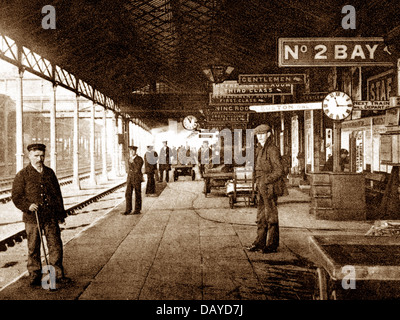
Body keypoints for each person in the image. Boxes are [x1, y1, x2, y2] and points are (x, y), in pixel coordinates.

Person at [11, 143, 70, 287]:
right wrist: (28, 206)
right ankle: (35, 275)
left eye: (42, 155)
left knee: (55, 245)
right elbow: (16, 196)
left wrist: (61, 215)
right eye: (36, 156)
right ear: (30, 156)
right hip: (33, 218)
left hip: (50, 217)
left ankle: (57, 274)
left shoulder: (50, 173)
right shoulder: (22, 175)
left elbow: (57, 195)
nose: (39, 158)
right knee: (33, 247)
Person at [247, 124, 284, 254]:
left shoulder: (272, 149)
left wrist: (265, 180)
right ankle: (259, 242)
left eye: (263, 134)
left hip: (269, 186)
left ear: (269, 134)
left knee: (271, 216)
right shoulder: (260, 149)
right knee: (261, 215)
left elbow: (279, 170)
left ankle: (272, 244)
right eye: (258, 135)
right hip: (260, 185)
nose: (260, 137)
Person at [124, 146, 144, 215]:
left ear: (135, 151)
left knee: (137, 193)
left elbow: (137, 169)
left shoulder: (140, 159)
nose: (131, 152)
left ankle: (137, 210)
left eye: (133, 151)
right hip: (130, 178)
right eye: (130, 151)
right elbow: (128, 169)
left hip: (137, 178)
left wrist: (133, 162)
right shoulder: (129, 159)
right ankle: (128, 210)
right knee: (128, 194)